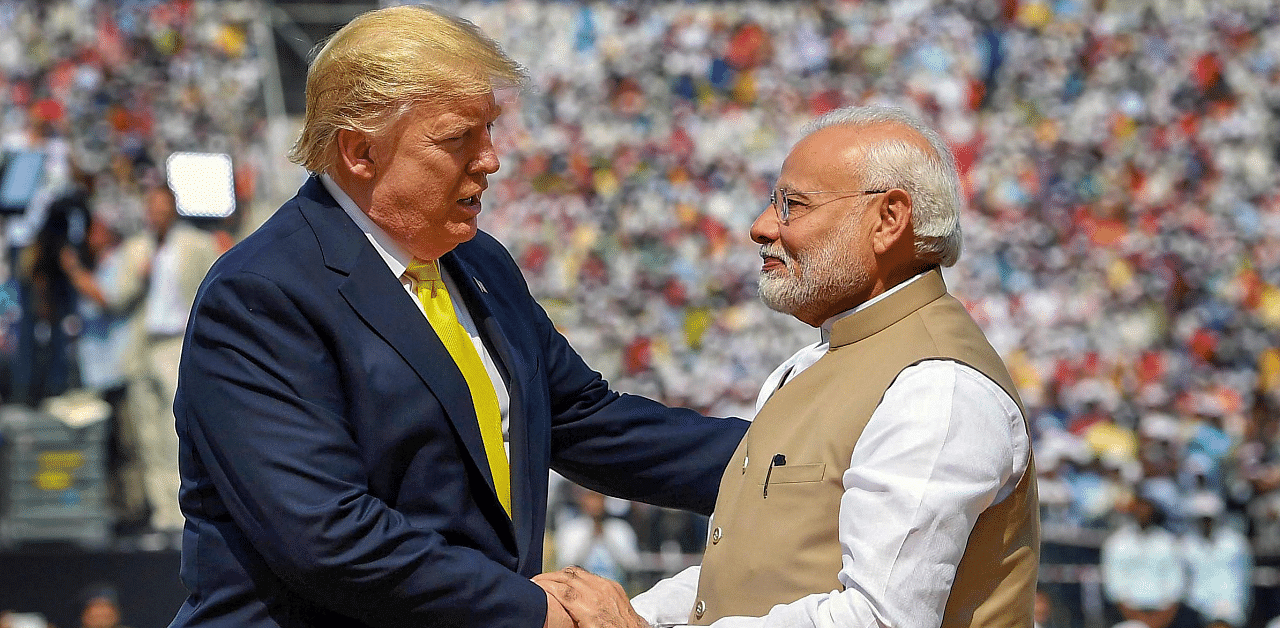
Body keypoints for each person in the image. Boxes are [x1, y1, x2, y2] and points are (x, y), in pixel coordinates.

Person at [167, 6, 747, 628]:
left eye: (489, 130)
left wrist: (789, 462)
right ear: (360, 152)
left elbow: (586, 421)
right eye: (457, 139)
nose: (490, 159)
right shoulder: (262, 295)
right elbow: (327, 534)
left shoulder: (477, 262)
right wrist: (534, 612)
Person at [538, 105, 1039, 627]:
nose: (761, 227)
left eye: (793, 206)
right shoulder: (818, 362)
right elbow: (748, 578)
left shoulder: (936, 385)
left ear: (889, 219)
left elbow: (877, 618)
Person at [134, 182, 220, 539]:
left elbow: (214, 287)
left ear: (172, 207)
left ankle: (180, 514)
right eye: (149, 208)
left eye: (160, 207)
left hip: (177, 342)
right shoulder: (139, 248)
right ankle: (161, 512)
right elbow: (121, 295)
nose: (155, 214)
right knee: (147, 434)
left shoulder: (196, 244)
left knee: (174, 433)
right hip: (145, 344)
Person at [59, 213, 155, 533]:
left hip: (116, 370)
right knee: (101, 447)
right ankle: (110, 505)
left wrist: (73, 271)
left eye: (96, 229)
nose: (90, 235)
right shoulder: (95, 266)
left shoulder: (117, 262)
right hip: (92, 372)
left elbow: (107, 299)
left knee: (127, 443)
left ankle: (136, 507)